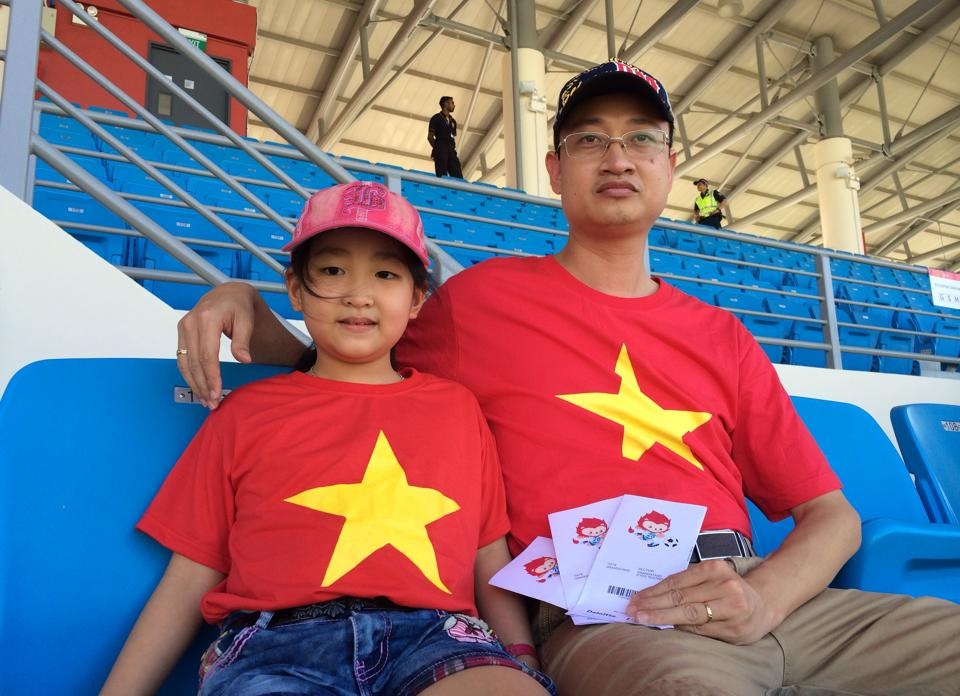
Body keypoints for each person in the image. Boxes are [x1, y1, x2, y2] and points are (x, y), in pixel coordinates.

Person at [174, 61, 960, 696]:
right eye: (590, 140)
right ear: (554, 170)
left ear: (670, 168)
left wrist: (765, 597)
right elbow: (351, 367)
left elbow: (832, 517)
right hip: (610, 608)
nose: (617, 157)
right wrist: (247, 307)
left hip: (761, 591)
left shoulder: (721, 333)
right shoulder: (479, 304)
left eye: (641, 139)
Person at [102, 182, 555, 696]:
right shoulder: (245, 412)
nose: (358, 293)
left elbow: (487, 554)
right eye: (333, 270)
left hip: (438, 637)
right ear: (296, 290)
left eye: (385, 274)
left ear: (416, 299)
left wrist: (521, 658)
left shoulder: (458, 408)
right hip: (279, 644)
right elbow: (188, 578)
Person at [428, 96, 464, 179]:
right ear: (446, 104)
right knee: (442, 175)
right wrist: (438, 148)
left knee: (458, 177)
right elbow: (430, 137)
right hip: (441, 149)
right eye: (452, 103)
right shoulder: (436, 118)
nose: (454, 105)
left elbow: (452, 136)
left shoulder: (453, 121)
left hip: (452, 150)